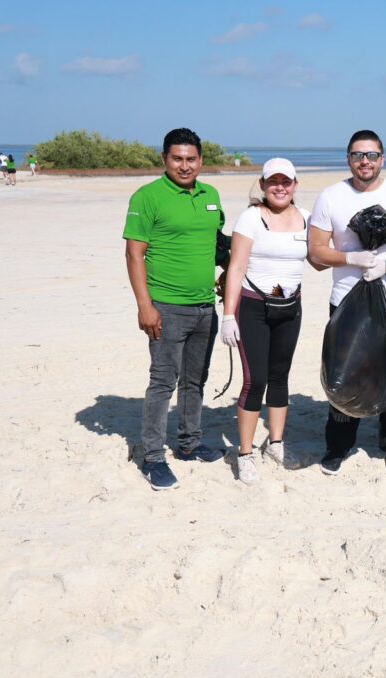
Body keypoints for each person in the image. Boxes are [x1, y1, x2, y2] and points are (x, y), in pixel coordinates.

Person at [308, 130, 386, 477]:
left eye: (371, 155)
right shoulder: (331, 197)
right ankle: (338, 445)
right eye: (358, 155)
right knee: (345, 370)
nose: (365, 161)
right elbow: (315, 253)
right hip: (346, 302)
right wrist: (352, 258)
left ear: (383, 159)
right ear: (348, 159)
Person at [123, 128, 226, 491]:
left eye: (191, 159)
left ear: (201, 160)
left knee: (195, 380)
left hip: (204, 307)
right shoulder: (148, 196)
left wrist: (228, 272)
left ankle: (189, 443)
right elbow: (134, 253)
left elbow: (219, 243)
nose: (185, 165)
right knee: (163, 382)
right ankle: (152, 456)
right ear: (165, 159)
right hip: (165, 307)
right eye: (177, 158)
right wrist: (144, 306)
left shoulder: (211, 195)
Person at [219, 158, 311, 485]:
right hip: (253, 307)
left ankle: (276, 444)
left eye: (286, 181)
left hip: (291, 307)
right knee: (255, 380)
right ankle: (244, 453)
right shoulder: (251, 218)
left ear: (296, 185)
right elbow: (236, 268)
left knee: (279, 376)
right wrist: (229, 315)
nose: (280, 187)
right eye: (274, 181)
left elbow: (322, 258)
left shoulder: (307, 220)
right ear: (263, 184)